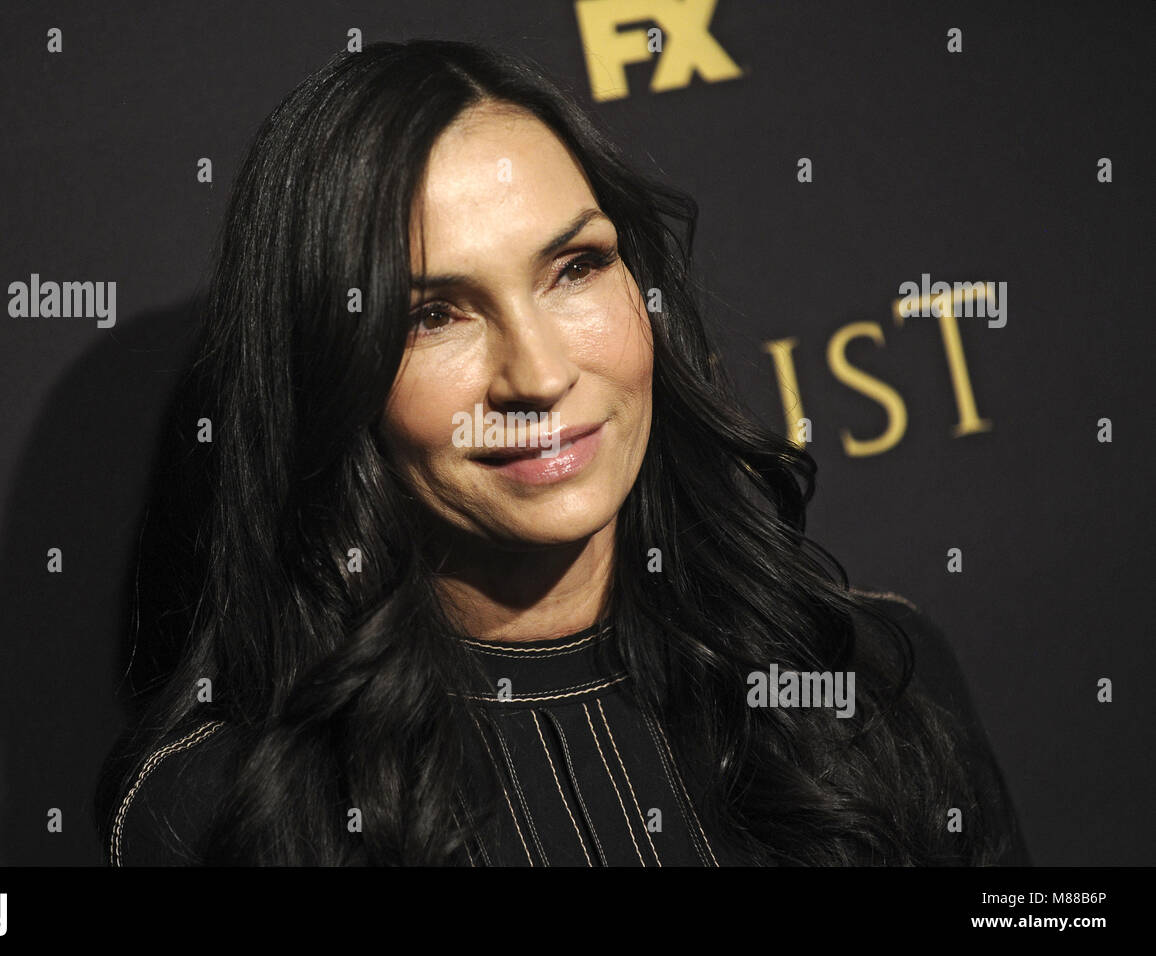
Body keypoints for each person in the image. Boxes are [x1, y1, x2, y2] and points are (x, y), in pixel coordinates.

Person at [95, 38, 1029, 867]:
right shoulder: (221, 813)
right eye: (433, 315)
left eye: (574, 268)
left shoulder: (868, 676)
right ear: (331, 373)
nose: (538, 375)